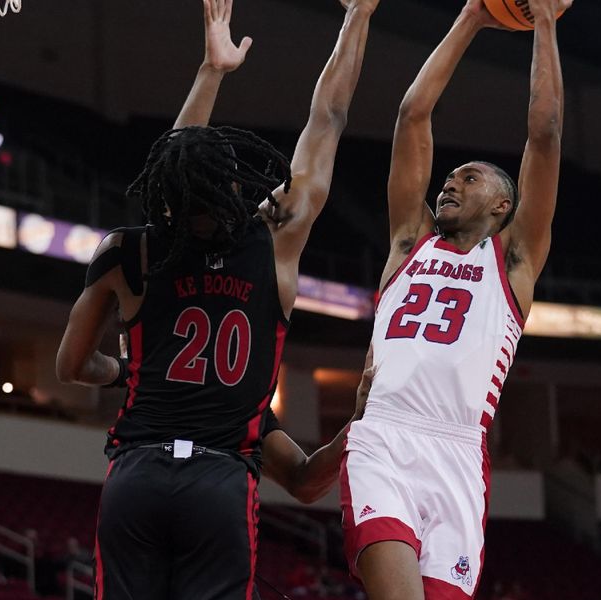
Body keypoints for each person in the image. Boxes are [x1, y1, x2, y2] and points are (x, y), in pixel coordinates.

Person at [55, 0, 379, 597]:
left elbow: (71, 367)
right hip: (218, 479)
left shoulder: (126, 252)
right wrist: (357, 14)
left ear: (166, 186)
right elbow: (327, 119)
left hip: (136, 476)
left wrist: (126, 370)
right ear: (234, 184)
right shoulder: (273, 240)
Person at [338, 0, 569, 597]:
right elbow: (412, 114)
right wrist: (471, 15)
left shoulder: (513, 262)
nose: (450, 181)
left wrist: (543, 19)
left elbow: (544, 135)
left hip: (460, 454)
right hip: (384, 437)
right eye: (450, 176)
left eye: (469, 177)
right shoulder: (408, 240)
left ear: (502, 207)